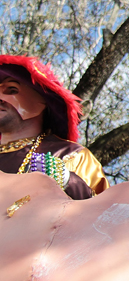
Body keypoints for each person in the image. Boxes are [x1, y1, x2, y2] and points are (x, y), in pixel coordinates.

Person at [0, 55, 108, 199]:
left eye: (12, 90)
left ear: (42, 101)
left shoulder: (70, 155)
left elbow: (103, 212)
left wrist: (69, 182)